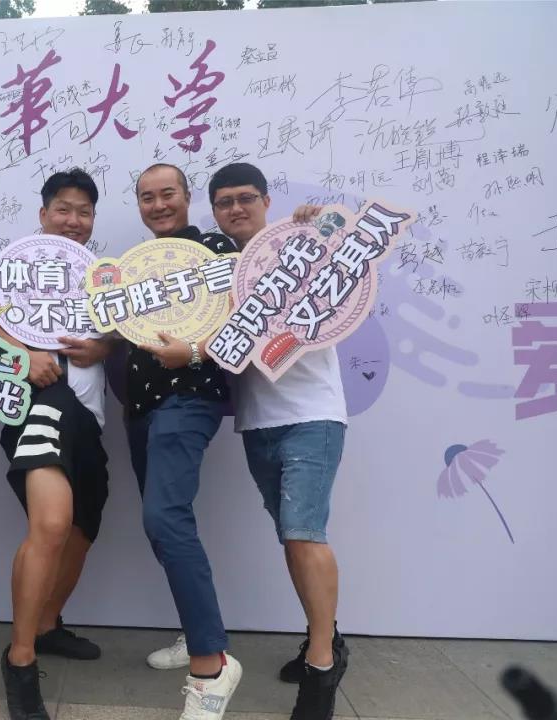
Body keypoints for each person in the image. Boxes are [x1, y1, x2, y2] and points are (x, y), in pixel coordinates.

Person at [209, 162, 349, 720]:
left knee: (303, 534)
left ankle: (322, 667)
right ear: (215, 212)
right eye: (224, 202)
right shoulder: (221, 268)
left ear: (267, 201)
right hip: (257, 421)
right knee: (291, 538)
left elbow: (348, 253)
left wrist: (320, 228)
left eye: (246, 198)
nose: (236, 208)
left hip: (312, 415)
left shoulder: (303, 249)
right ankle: (326, 637)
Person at [0, 169, 114, 720]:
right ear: (43, 214)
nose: (73, 220)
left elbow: (121, 334)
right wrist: (22, 355)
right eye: (63, 209)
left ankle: (46, 626)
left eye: (84, 211)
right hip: (40, 404)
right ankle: (19, 659)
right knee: (50, 525)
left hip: (89, 417)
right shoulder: (11, 270)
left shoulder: (103, 277)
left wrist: (105, 348)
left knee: (83, 528)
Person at [127, 164, 243, 720]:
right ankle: (197, 630)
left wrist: (193, 352)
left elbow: (248, 317)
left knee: (164, 517)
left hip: (189, 398)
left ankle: (211, 664)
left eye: (167, 193)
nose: (158, 205)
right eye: (146, 197)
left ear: (188, 196)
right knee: (163, 522)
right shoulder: (137, 265)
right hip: (140, 409)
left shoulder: (216, 248)